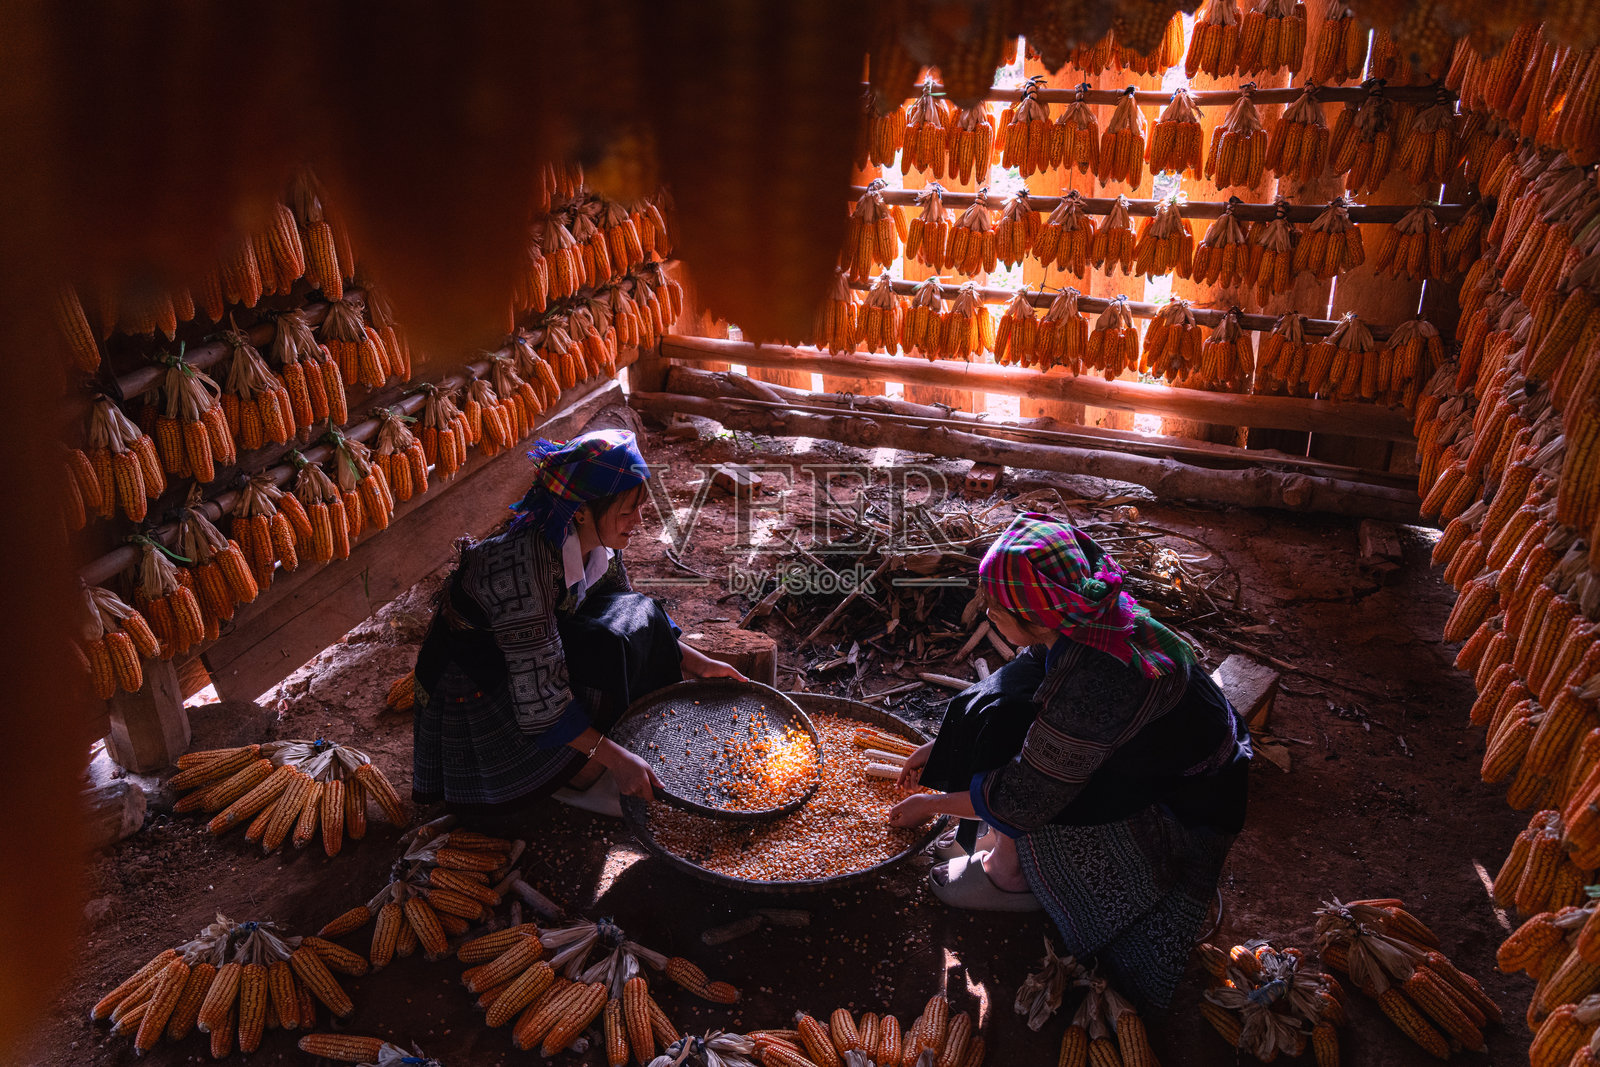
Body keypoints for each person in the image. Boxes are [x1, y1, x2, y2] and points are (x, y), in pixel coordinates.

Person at [889, 513, 1250, 1009]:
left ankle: (1012, 874)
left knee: (1036, 792)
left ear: (1034, 616)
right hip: (1144, 748)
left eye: (995, 607)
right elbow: (1026, 682)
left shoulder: (1097, 685)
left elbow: (1029, 795)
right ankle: (997, 841)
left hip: (1186, 802)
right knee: (998, 704)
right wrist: (947, 748)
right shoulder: (1083, 617)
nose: (987, 613)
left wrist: (930, 805)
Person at [411, 428, 745, 814]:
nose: (638, 520)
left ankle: (600, 739)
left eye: (640, 507)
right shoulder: (523, 570)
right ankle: (574, 772)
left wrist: (701, 664)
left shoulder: (598, 541)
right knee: (588, 768)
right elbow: (539, 700)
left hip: (537, 651)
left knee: (634, 612)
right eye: (626, 511)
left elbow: (630, 610)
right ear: (581, 510)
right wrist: (617, 761)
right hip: (478, 678)